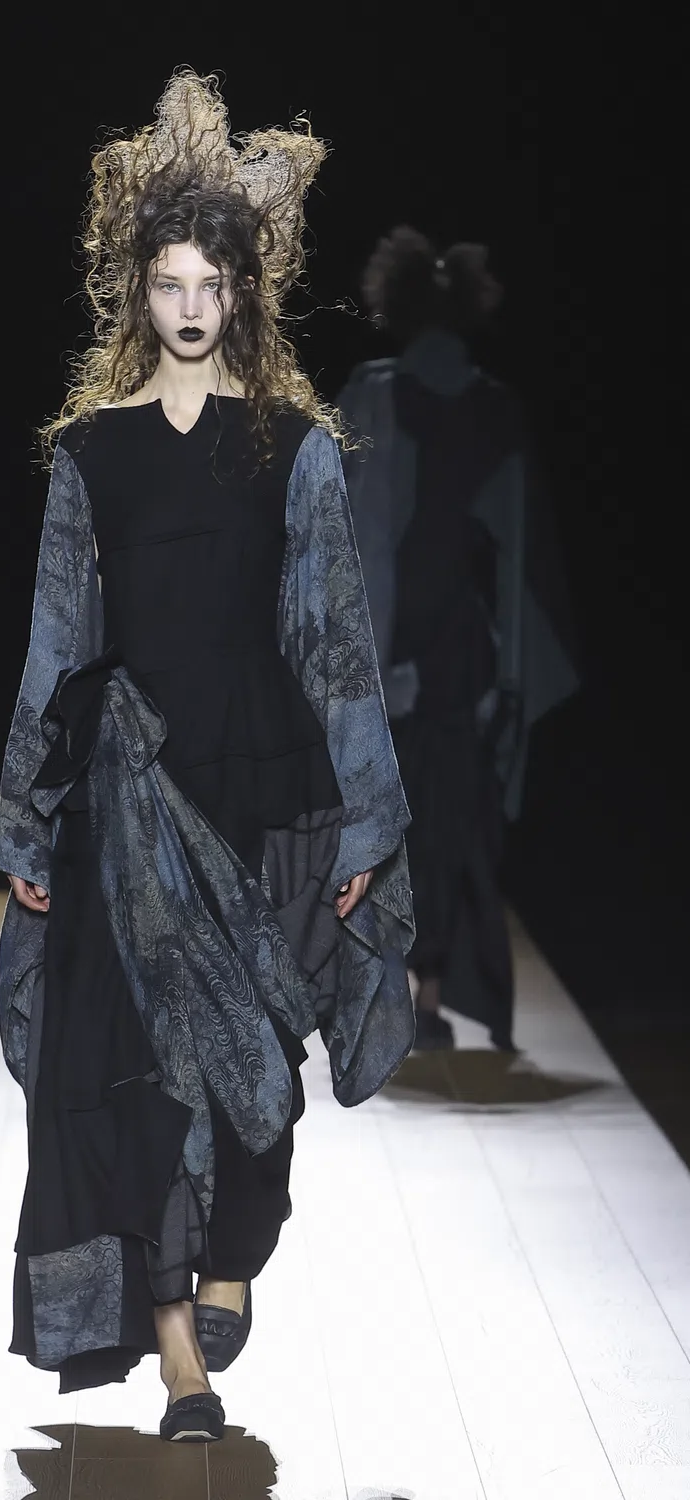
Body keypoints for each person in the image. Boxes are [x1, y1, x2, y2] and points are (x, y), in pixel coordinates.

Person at [0, 73, 415, 1444]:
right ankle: (182, 1362)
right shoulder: (91, 453)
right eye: (166, 281)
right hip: (123, 799)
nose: (186, 305)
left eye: (208, 283)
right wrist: (26, 817)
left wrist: (366, 819)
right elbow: (56, 641)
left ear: (242, 291)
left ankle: (231, 1260)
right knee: (132, 1084)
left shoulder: (296, 451)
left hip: (266, 787)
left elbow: (337, 642)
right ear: (137, 289)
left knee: (254, 1090)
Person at [337, 226, 577, 1052]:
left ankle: (390, 998)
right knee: (451, 825)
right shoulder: (495, 408)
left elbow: (337, 531)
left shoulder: (372, 395)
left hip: (388, 644)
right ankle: (429, 997)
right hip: (461, 649)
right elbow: (519, 556)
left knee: (383, 819)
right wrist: (509, 670)